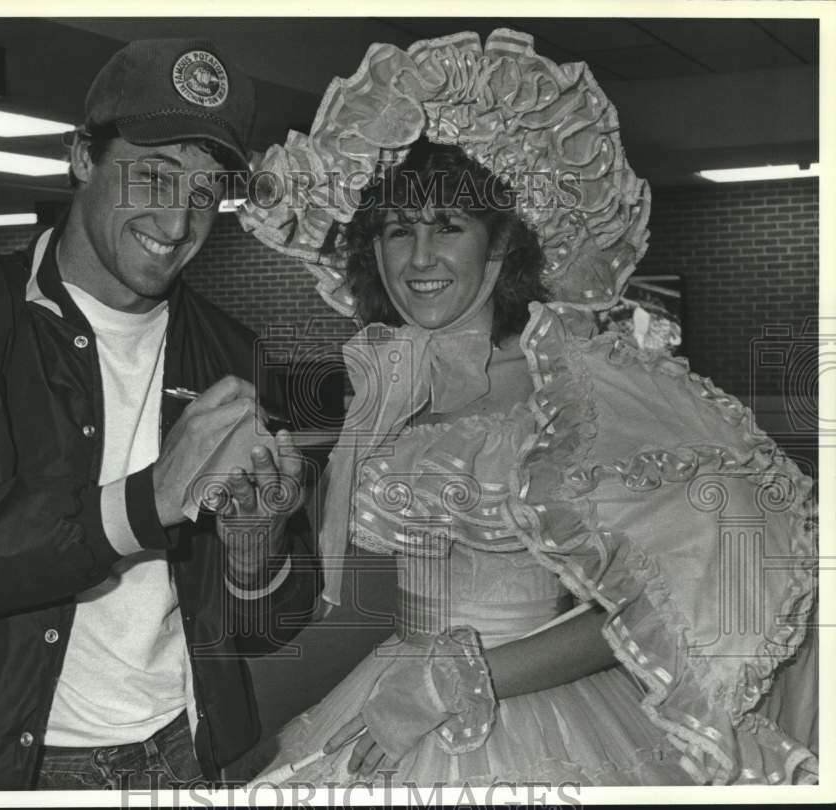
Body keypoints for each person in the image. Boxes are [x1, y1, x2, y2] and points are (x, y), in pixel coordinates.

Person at [236, 28, 818, 786]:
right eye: (396, 231)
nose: (417, 259)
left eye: (449, 227)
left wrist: (459, 681)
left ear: (502, 243)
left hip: (535, 707)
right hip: (391, 690)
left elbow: (661, 597)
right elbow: (332, 582)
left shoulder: (581, 377)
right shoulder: (392, 378)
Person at [0, 39, 319, 791]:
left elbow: (269, 627)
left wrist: (256, 549)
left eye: (205, 195)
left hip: (181, 752)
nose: (177, 224)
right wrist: (150, 498)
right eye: (155, 177)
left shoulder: (231, 353)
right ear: (80, 157)